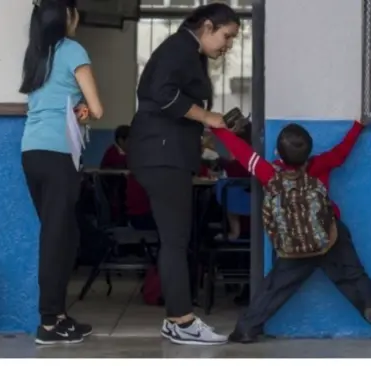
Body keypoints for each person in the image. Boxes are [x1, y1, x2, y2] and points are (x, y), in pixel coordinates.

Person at [210, 122, 371, 343]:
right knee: (353, 274)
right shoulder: (320, 165)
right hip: (329, 236)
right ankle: (370, 307)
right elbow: (341, 152)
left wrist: (217, 128)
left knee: (275, 287)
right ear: (309, 151)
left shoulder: (269, 173)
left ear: (278, 152)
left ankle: (246, 329)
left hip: (295, 246)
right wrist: (357, 126)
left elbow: (243, 153)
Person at [127, 3, 240, 346]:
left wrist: (203, 132)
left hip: (164, 151)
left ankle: (178, 319)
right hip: (162, 155)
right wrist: (207, 117)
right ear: (207, 26)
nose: (228, 45)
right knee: (175, 239)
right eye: (226, 36)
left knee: (176, 237)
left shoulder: (188, 50)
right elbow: (161, 93)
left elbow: (169, 101)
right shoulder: (181, 48)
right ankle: (181, 320)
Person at [19, 0, 103, 345]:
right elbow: (97, 108)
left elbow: (47, 102)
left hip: (32, 151)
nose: (78, 17)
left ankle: (60, 316)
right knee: (57, 238)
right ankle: (49, 322)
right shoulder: (72, 50)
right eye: (74, 11)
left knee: (65, 235)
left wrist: (77, 109)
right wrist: (86, 110)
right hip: (58, 154)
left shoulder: (36, 53)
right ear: (66, 16)